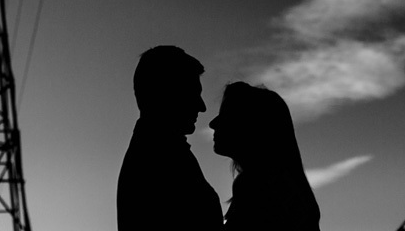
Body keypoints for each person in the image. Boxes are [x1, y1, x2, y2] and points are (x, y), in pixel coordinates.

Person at [117, 45, 223, 231]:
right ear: (169, 93)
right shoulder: (159, 158)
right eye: (194, 94)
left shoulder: (160, 151)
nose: (202, 106)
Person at [209, 81, 321, 230]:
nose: (213, 123)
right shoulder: (285, 190)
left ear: (251, 125)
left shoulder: (257, 188)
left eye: (226, 115)